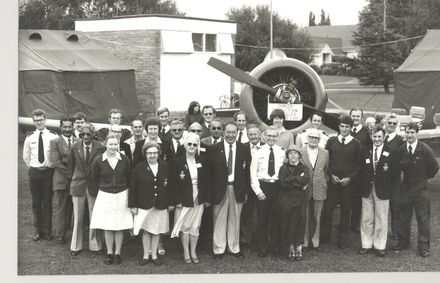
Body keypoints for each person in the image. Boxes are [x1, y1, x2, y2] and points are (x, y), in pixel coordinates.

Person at [393, 122, 439, 257]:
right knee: (403, 217)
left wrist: (424, 179)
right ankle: (403, 242)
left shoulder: (424, 149)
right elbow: (398, 168)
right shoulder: (401, 149)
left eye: (412, 132)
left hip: (421, 190)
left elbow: (434, 167)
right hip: (406, 188)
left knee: (423, 218)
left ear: (417, 133)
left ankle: (423, 246)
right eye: (407, 132)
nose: (409, 135)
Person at [207, 122, 251, 259]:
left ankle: (234, 247)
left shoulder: (244, 148)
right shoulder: (214, 149)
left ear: (237, 133)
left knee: (235, 219)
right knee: (218, 219)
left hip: (237, 188)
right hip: (219, 189)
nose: (231, 135)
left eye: (233, 132)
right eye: (228, 132)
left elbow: (247, 172)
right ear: (223, 132)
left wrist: (246, 191)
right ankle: (219, 248)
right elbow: (209, 174)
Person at [90, 134, 133, 265]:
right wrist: (98, 193)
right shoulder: (99, 160)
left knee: (120, 225)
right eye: (111, 144)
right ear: (105, 145)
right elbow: (94, 178)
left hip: (122, 195)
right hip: (105, 195)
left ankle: (118, 253)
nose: (113, 147)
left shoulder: (124, 159)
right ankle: (109, 252)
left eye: (115, 144)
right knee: (108, 225)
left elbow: (129, 177)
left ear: (118, 145)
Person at [321, 115, 362, 249]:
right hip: (333, 183)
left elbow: (358, 165)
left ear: (351, 128)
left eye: (347, 127)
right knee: (327, 210)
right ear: (339, 127)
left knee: (345, 212)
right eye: (342, 126)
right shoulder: (332, 141)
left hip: (348, 185)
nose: (344, 129)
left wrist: (349, 179)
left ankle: (342, 239)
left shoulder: (356, 143)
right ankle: (325, 237)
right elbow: (327, 162)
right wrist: (331, 175)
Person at [358, 125, 399, 257]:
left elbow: (395, 173)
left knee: (381, 217)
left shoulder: (391, 151)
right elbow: (361, 170)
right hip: (366, 189)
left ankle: (380, 245)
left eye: (379, 136)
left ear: (384, 137)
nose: (376, 139)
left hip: (383, 190)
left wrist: (387, 186)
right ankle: (366, 244)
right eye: (374, 136)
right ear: (371, 137)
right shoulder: (365, 151)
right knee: (366, 217)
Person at [169, 133, 211, 264]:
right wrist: (177, 201)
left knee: (196, 226)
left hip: (199, 197)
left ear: (198, 146)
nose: (192, 147)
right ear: (185, 145)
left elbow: (207, 182)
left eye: (195, 144)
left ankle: (193, 251)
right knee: (185, 226)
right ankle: (186, 252)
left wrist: (206, 198)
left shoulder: (202, 160)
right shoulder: (177, 162)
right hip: (184, 198)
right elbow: (173, 184)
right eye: (189, 144)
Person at [129, 142, 172, 266]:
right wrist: (133, 205)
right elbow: (133, 187)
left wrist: (170, 203)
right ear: (145, 154)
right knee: (146, 231)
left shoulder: (165, 166)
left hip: (160, 204)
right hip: (144, 204)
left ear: (158, 153)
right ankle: (145, 255)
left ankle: (154, 255)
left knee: (156, 230)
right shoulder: (139, 167)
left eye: (154, 153)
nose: (152, 155)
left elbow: (169, 186)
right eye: (149, 153)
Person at [68, 122, 106, 256]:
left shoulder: (100, 148)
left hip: (94, 186)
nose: (85, 136)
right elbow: (70, 167)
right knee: (78, 217)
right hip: (78, 185)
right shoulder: (74, 147)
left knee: (94, 216)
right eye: (82, 134)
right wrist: (72, 182)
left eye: (88, 134)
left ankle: (95, 245)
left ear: (93, 134)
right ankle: (75, 246)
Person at [250, 126, 286, 257]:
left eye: (274, 136)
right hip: (263, 186)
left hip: (277, 187)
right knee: (262, 220)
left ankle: (275, 247)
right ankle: (263, 247)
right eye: (269, 136)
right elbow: (253, 173)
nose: (271, 138)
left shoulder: (282, 152)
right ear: (264, 136)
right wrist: (258, 191)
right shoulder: (258, 152)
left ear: (277, 137)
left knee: (276, 219)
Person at [23, 109, 58, 241]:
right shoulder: (29, 137)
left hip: (49, 173)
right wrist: (35, 167)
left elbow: (56, 155)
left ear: (45, 120)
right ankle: (38, 231)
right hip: (35, 173)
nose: (39, 122)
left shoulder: (53, 136)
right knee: (36, 203)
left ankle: (47, 231)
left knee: (47, 202)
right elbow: (26, 157)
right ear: (33, 121)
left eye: (41, 120)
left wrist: (49, 167)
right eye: (36, 120)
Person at [49, 117, 79, 245]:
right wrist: (72, 174)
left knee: (73, 207)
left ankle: (70, 230)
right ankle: (60, 234)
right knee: (62, 207)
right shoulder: (55, 142)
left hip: (76, 181)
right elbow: (57, 162)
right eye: (65, 127)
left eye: (69, 126)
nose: (67, 129)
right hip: (62, 180)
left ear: (73, 127)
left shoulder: (78, 141)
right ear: (60, 128)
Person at [278, 145, 310, 260]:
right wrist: (297, 180)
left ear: (299, 156)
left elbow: (305, 179)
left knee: (300, 222)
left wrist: (290, 179)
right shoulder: (283, 168)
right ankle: (290, 247)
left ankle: (299, 247)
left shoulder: (304, 168)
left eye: (295, 153)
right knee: (288, 222)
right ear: (287, 155)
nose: (293, 155)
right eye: (290, 153)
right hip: (287, 199)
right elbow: (282, 183)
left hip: (300, 199)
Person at [301, 128, 329, 251]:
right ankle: (305, 241)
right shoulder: (301, 152)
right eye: (311, 137)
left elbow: (326, 170)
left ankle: (315, 241)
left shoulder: (325, 153)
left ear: (319, 140)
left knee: (317, 216)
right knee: (305, 215)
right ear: (307, 139)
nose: (313, 140)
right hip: (305, 188)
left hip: (319, 187)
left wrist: (322, 181)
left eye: (316, 138)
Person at [240, 124, 264, 246]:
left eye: (255, 134)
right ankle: (246, 238)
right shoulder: (242, 147)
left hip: (262, 187)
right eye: (251, 134)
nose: (253, 136)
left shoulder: (266, 147)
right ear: (247, 135)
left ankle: (260, 238)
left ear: (260, 135)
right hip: (247, 186)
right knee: (247, 213)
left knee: (261, 212)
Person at [349, 108, 372, 232]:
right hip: (347, 168)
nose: (355, 118)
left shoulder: (366, 132)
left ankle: (355, 223)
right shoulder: (346, 129)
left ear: (362, 118)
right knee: (347, 197)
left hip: (360, 170)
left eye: (358, 116)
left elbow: (370, 148)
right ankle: (345, 222)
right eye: (353, 116)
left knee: (358, 198)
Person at [383, 113, 404, 241]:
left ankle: (395, 231)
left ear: (397, 126)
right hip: (382, 178)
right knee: (382, 206)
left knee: (395, 206)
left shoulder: (400, 140)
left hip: (394, 179)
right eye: (389, 123)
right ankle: (382, 231)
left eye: (394, 124)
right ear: (386, 124)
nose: (391, 125)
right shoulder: (381, 137)